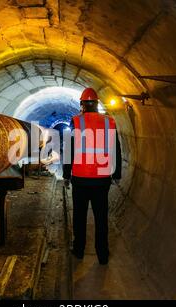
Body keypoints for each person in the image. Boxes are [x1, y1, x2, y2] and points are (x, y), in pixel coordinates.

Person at [63, 88, 122, 265]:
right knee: (101, 217)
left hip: (80, 179)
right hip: (102, 179)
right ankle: (102, 254)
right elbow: (115, 150)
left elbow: (69, 150)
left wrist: (66, 175)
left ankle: (79, 250)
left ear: (82, 105)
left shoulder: (75, 121)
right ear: (97, 104)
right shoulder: (109, 122)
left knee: (79, 216)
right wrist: (117, 173)